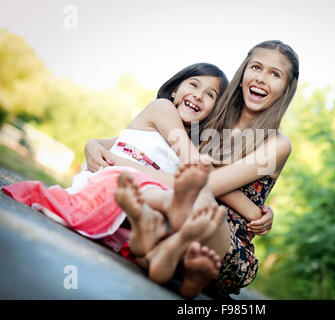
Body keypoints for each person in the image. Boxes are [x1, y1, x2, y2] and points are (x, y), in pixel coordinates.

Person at [2, 62, 271, 298]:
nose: (198, 96)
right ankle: (164, 229)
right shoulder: (162, 109)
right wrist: (91, 144)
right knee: (179, 194)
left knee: (154, 239)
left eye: (210, 95)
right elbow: (195, 166)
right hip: (115, 185)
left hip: (140, 214)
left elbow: (216, 183)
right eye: (194, 85)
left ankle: (175, 270)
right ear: (175, 89)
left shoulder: (194, 144)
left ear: (214, 110)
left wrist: (258, 212)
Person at [86, 40, 299, 297]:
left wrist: (122, 164)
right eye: (256, 67)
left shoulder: (276, 143)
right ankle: (164, 257)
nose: (262, 78)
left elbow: (205, 185)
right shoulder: (213, 115)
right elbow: (145, 142)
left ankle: (170, 251)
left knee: (195, 193)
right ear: (243, 74)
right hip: (176, 209)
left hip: (221, 240)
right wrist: (94, 144)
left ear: (286, 89)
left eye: (275, 74)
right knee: (176, 200)